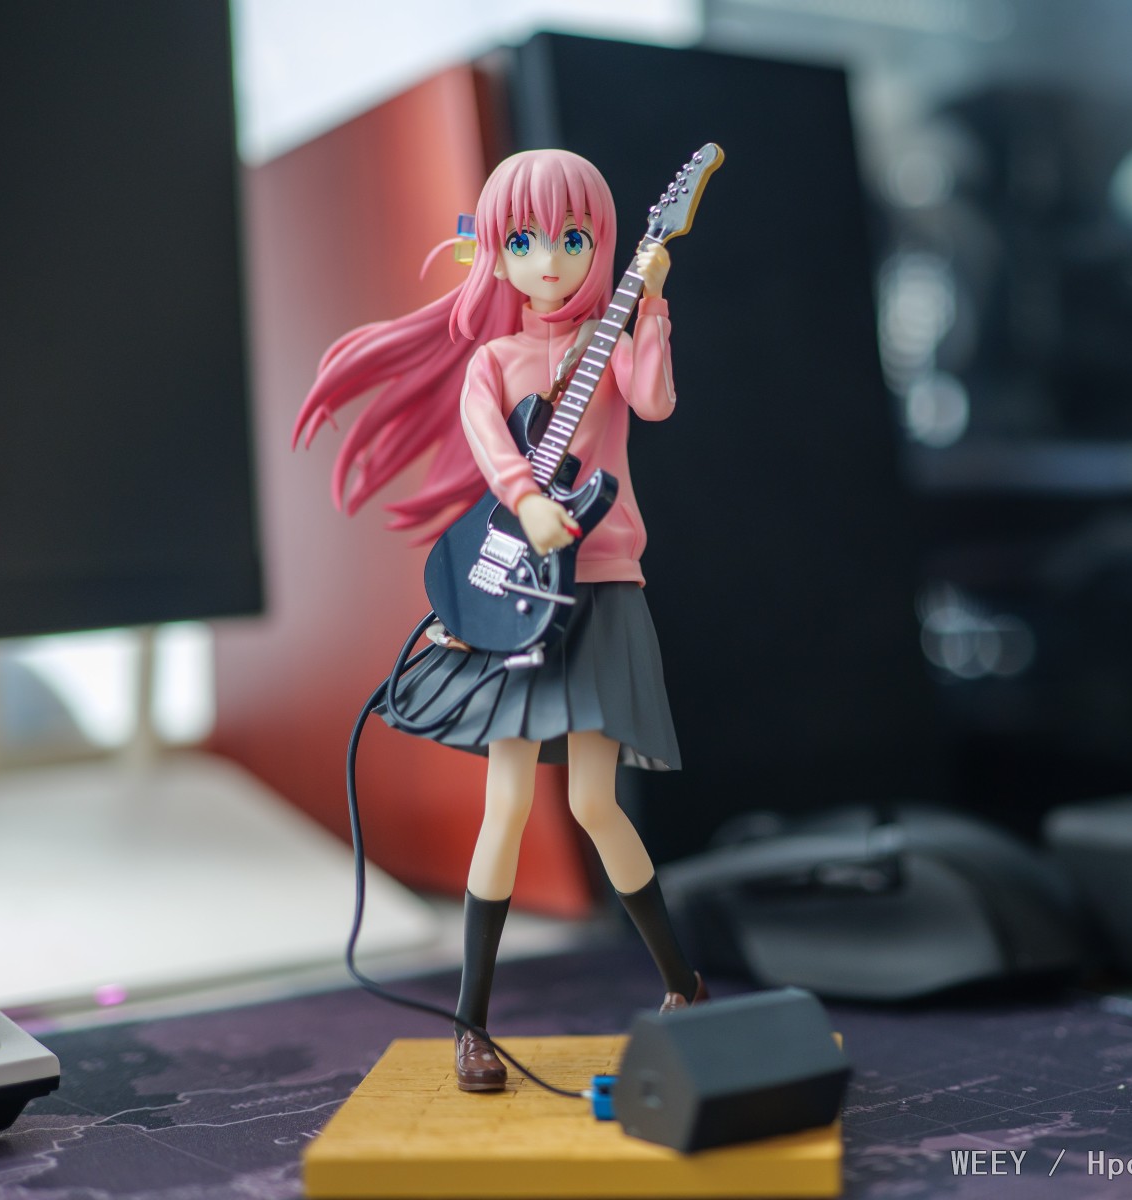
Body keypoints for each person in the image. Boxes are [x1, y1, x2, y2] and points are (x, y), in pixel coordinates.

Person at [294, 149, 704, 1093]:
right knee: (507, 804)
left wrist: (650, 305)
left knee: (595, 804)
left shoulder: (613, 331)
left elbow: (653, 401)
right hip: (520, 588)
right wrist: (526, 502)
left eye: (571, 240)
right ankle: (471, 1023)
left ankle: (684, 986)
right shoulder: (493, 361)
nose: (548, 262)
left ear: (603, 244)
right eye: (523, 243)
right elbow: (491, 448)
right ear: (494, 253)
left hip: (602, 585)